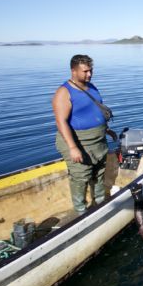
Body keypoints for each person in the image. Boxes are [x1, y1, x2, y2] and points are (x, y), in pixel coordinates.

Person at [52, 54, 117, 214]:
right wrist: (73, 147)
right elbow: (61, 122)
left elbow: (95, 110)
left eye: (91, 70)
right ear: (73, 71)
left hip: (98, 141)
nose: (89, 74)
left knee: (99, 173)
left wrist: (106, 129)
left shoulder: (92, 87)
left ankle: (100, 202)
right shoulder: (64, 92)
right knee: (80, 177)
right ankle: (81, 211)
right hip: (79, 142)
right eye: (85, 71)